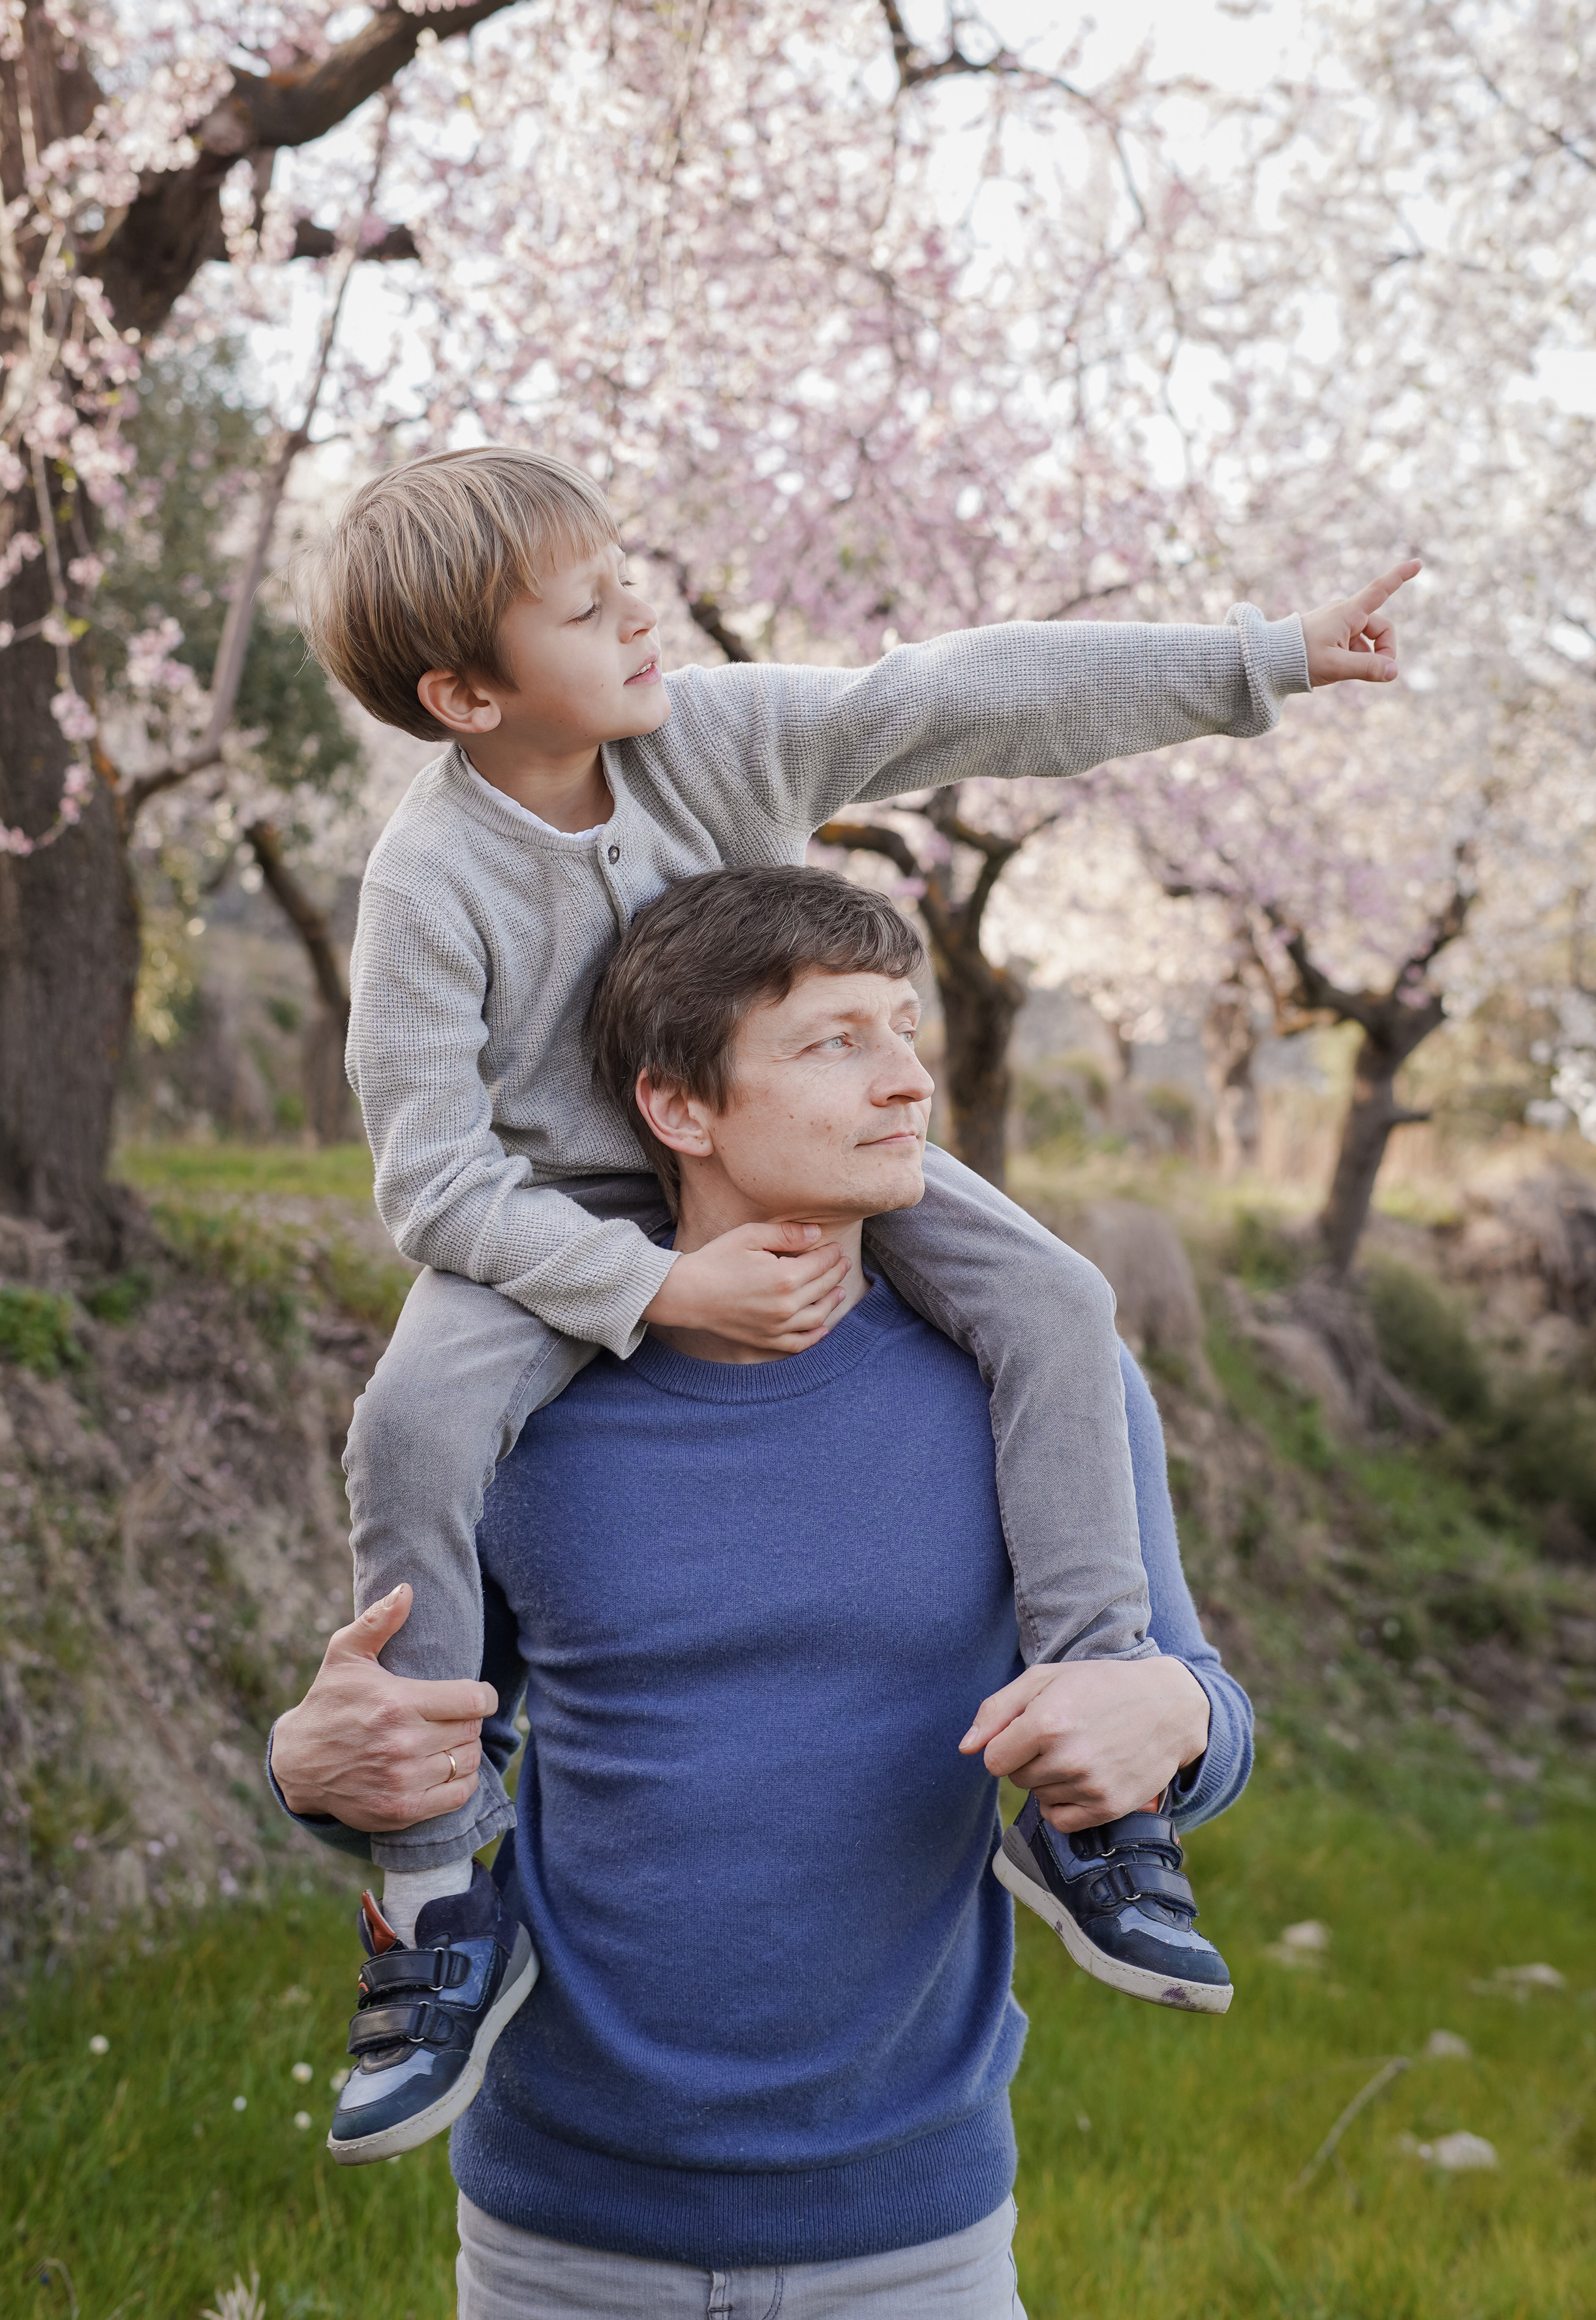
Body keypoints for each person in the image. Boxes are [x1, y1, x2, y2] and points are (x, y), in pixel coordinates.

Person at [294, 444, 1410, 2156]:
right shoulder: (430, 881)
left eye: (627, 571)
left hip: (796, 1149)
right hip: (553, 1221)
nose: (641, 612)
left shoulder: (718, 736)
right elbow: (431, 1182)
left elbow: (958, 694)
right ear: (465, 691)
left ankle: (1095, 1787)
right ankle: (433, 1896)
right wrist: (656, 1286)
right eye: (589, 610)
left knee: (1054, 1298)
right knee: (414, 1420)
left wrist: (1261, 658)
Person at [269, 869, 1255, 2317]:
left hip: (916, 2237)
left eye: (903, 1031)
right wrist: (309, 1767)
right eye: (831, 1041)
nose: (906, 1079)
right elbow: (425, 1747)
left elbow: (1201, 1710)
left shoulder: (1039, 1377)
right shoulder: (516, 1407)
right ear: (680, 1108)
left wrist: (1165, 1713)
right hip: (557, 2239)